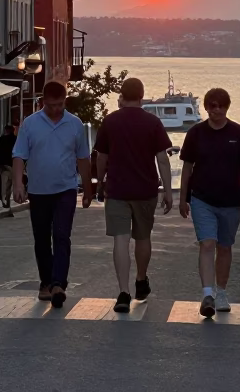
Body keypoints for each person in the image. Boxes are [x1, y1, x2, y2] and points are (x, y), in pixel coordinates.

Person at [93, 77, 174, 313]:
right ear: (142, 95)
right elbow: (162, 159)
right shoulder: (153, 122)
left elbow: (101, 157)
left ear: (121, 95)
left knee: (120, 239)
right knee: (143, 237)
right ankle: (141, 279)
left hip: (117, 189)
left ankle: (123, 292)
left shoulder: (110, 122)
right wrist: (168, 191)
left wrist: (99, 183)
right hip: (145, 189)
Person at [12, 82, 92, 308]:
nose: (57, 109)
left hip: (65, 189)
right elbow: (19, 155)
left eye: (60, 104)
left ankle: (58, 284)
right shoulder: (31, 123)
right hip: (38, 190)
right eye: (52, 105)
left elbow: (83, 158)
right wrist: (18, 184)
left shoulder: (74, 124)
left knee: (61, 235)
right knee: (41, 239)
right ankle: (45, 282)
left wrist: (87, 189)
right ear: (43, 101)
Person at [179, 88, 240, 317]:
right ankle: (207, 294)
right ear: (206, 107)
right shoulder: (196, 133)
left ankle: (221, 291)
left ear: (227, 107)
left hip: (231, 200)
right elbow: (187, 168)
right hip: (202, 198)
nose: (217, 110)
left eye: (221, 106)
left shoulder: (239, 133)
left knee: (224, 246)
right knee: (207, 243)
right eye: (212, 106)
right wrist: (183, 198)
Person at [0, 124, 18, 208]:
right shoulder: (15, 139)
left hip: (3, 165)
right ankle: (7, 200)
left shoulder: (1, 139)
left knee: (4, 183)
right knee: (9, 184)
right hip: (12, 165)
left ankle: (4, 200)